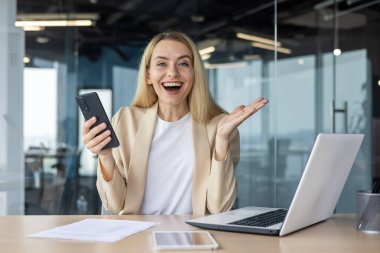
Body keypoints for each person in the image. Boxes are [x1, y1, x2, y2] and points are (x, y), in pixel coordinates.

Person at [82, 31, 268, 216]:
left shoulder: (220, 126)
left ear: (195, 74)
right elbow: (115, 205)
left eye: (183, 64)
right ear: (148, 75)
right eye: (162, 64)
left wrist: (221, 141)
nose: (172, 72)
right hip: (137, 236)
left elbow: (220, 207)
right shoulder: (125, 120)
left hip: (195, 237)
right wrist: (105, 156)